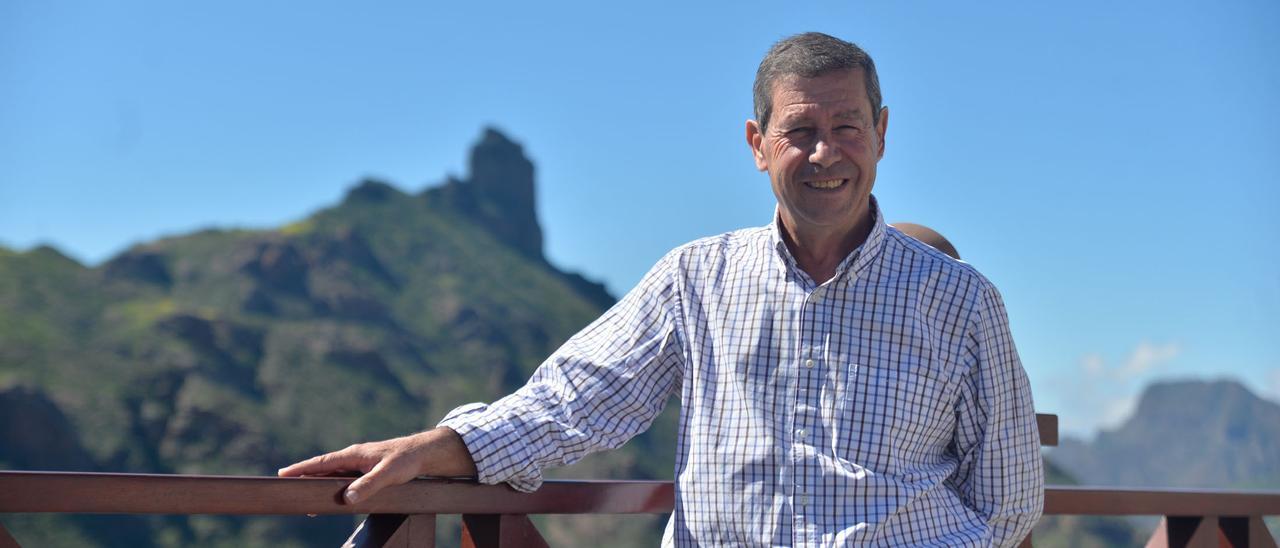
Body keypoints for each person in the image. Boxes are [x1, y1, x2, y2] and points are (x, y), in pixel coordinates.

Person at [280, 32, 1044, 546]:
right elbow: (576, 401)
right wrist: (442, 447)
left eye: (847, 128)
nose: (824, 153)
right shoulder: (696, 279)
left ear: (881, 133)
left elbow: (1008, 497)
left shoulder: (961, 300)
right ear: (757, 146)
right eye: (799, 131)